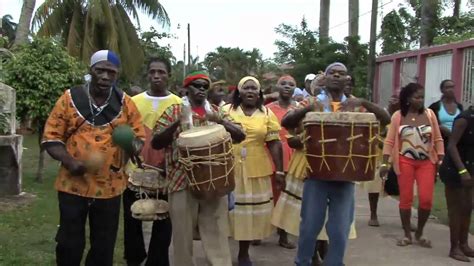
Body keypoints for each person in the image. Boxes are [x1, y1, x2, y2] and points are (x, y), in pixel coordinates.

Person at [42, 50, 145, 266]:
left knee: (103, 245)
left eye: (111, 72)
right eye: (100, 70)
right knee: (69, 242)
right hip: (73, 184)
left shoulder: (126, 103)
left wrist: (131, 144)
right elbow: (51, 137)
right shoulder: (70, 98)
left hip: (110, 186)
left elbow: (139, 138)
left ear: (117, 74)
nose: (106, 77)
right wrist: (70, 162)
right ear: (91, 70)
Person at [283, 62, 390, 266]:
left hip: (346, 176)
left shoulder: (356, 104)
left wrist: (364, 103)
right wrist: (309, 109)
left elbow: (385, 119)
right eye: (333, 72)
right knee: (309, 227)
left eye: (341, 74)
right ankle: (303, 262)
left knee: (340, 229)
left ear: (346, 79)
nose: (337, 76)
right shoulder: (312, 101)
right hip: (316, 175)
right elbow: (286, 122)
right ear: (326, 78)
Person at [152, 71, 245, 266]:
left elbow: (240, 135)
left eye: (205, 86)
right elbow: (156, 143)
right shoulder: (174, 110)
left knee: (217, 233)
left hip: (214, 181)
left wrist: (220, 120)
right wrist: (178, 121)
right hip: (181, 180)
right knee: (182, 237)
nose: (201, 89)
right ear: (186, 89)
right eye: (197, 85)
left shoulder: (215, 111)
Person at [123, 57, 180, 266]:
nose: (156, 76)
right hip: (135, 171)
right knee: (132, 217)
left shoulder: (178, 104)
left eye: (161, 72)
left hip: (167, 172)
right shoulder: (133, 101)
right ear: (147, 74)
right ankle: (134, 257)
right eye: (153, 72)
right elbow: (126, 132)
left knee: (163, 219)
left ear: (169, 76)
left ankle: (157, 261)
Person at [224, 76, 284, 266]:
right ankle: (221, 252)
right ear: (239, 92)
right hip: (229, 166)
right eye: (246, 88)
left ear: (259, 93)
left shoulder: (266, 113)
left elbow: (274, 143)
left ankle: (243, 253)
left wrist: (280, 171)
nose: (250, 91)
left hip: (256, 167)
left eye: (254, 89)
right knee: (226, 212)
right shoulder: (226, 111)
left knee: (248, 214)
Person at [380, 83, 444, 248]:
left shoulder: (430, 115)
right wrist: (385, 163)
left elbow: (437, 138)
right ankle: (407, 234)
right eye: (417, 97)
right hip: (404, 161)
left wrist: (440, 158)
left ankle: (419, 232)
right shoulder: (398, 116)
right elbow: (390, 141)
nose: (420, 100)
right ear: (408, 99)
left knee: (426, 200)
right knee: (406, 199)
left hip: (426, 162)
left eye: (422, 97)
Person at [265, 75, 298, 249]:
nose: (287, 87)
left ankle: (283, 234)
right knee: (270, 195)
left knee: (286, 196)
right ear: (277, 86)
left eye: (291, 84)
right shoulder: (268, 109)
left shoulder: (298, 109)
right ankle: (258, 232)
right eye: (283, 84)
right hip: (273, 155)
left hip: (292, 156)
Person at [439, 104, 474, 262]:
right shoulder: (464, 119)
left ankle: (464, 244)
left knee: (467, 207)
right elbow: (452, 145)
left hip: (470, 168)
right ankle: (454, 248)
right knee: (456, 209)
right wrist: (462, 171)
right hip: (455, 169)